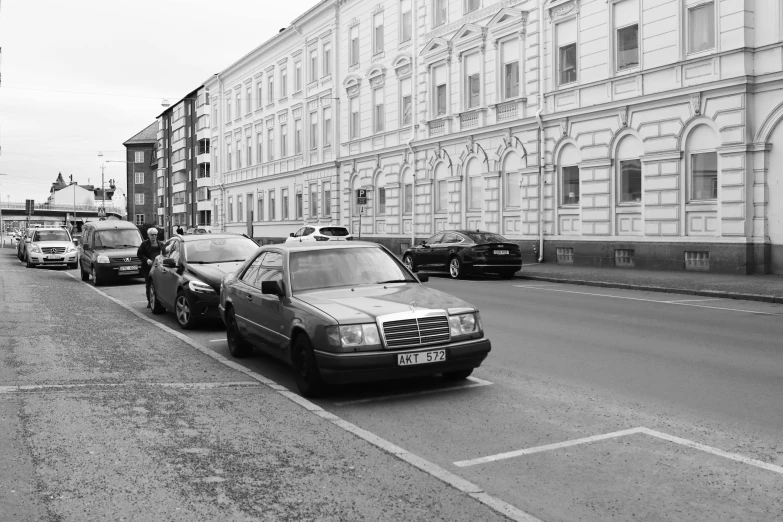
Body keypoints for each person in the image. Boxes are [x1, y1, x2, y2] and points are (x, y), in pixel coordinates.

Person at [137, 228, 163, 308]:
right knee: (149, 284)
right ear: (148, 235)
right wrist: (146, 260)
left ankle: (160, 301)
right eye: (152, 235)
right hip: (148, 267)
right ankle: (150, 301)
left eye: (155, 234)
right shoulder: (144, 244)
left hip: (158, 267)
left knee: (159, 284)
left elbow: (164, 254)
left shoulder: (160, 244)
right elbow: (139, 254)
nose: (154, 236)